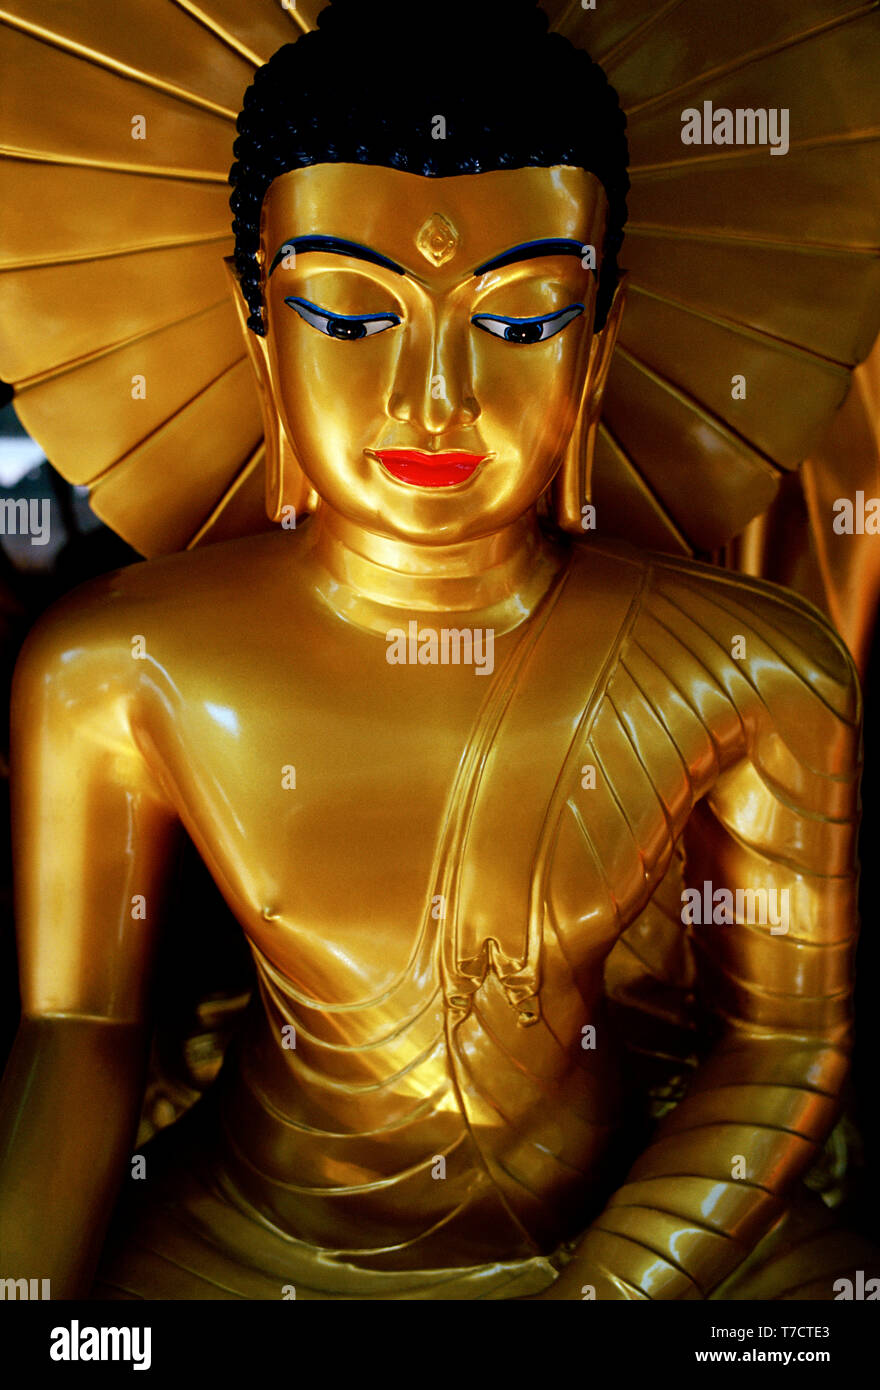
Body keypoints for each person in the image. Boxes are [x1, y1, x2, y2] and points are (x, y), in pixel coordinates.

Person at [0, 0, 872, 1299]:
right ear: (257, 327)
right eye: (351, 316)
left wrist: (618, 1289)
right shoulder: (118, 666)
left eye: (520, 320)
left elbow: (789, 1038)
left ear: (603, 335)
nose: (435, 397)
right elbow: (77, 1026)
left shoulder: (753, 666)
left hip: (623, 1232)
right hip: (254, 1239)